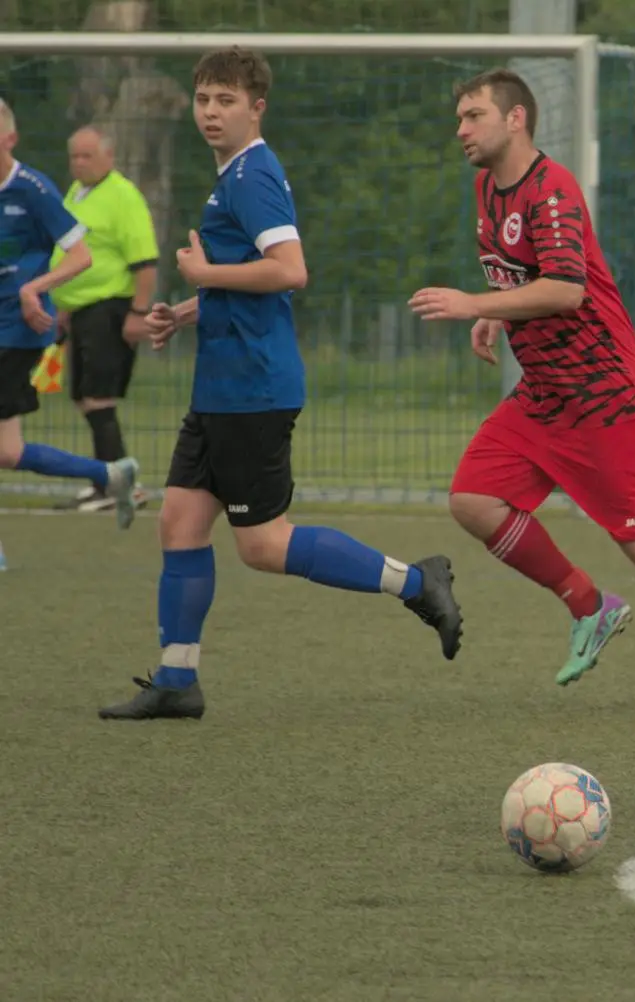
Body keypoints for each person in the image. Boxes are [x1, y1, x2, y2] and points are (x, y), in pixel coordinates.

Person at [98, 46, 463, 722]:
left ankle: (417, 581)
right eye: (204, 98)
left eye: (226, 100)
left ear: (256, 107)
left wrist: (203, 279)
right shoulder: (230, 176)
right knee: (179, 523)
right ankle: (178, 679)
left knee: (263, 546)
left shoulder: (252, 176)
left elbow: (289, 270)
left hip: (253, 390)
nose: (211, 111)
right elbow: (247, 280)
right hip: (220, 389)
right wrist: (184, 310)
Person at [408, 68, 635, 714]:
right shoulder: (487, 188)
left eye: (473, 115)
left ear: (516, 120)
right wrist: (496, 312)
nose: (461, 129)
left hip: (602, 391)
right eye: (459, 118)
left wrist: (473, 302)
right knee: (474, 499)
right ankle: (589, 605)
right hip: (545, 392)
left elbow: (566, 289)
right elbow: (525, 276)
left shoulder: (552, 190)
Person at [0, 97, 140, 524]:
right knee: (7, 451)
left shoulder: (33, 189)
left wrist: (34, 289)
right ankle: (111, 474)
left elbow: (81, 256)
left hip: (18, 329)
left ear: (10, 139)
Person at [50, 125, 157, 514]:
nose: (79, 163)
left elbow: (145, 262)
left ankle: (124, 486)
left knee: (99, 397)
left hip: (109, 307)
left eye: (87, 156)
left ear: (108, 157)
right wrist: (63, 306)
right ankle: (104, 481)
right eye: (74, 156)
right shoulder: (77, 194)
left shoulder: (123, 197)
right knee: (82, 397)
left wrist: (138, 313)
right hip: (79, 310)